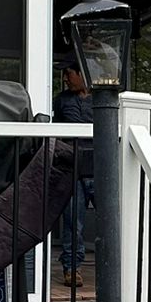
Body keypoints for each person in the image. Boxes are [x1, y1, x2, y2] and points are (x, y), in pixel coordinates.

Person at [54, 63, 95, 287]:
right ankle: (71, 269)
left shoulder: (101, 100)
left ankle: (117, 267)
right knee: (73, 224)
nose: (66, 79)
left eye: (68, 75)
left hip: (100, 171)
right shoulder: (61, 101)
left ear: (82, 74)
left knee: (111, 223)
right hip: (72, 170)